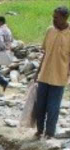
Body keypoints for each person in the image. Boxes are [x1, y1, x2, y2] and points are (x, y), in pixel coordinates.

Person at [35, 6, 70, 139]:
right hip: (44, 74)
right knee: (40, 106)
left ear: (65, 18)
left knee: (53, 107)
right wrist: (37, 72)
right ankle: (39, 130)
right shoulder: (50, 31)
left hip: (59, 76)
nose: (53, 19)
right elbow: (45, 53)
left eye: (56, 17)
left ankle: (50, 133)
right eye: (53, 17)